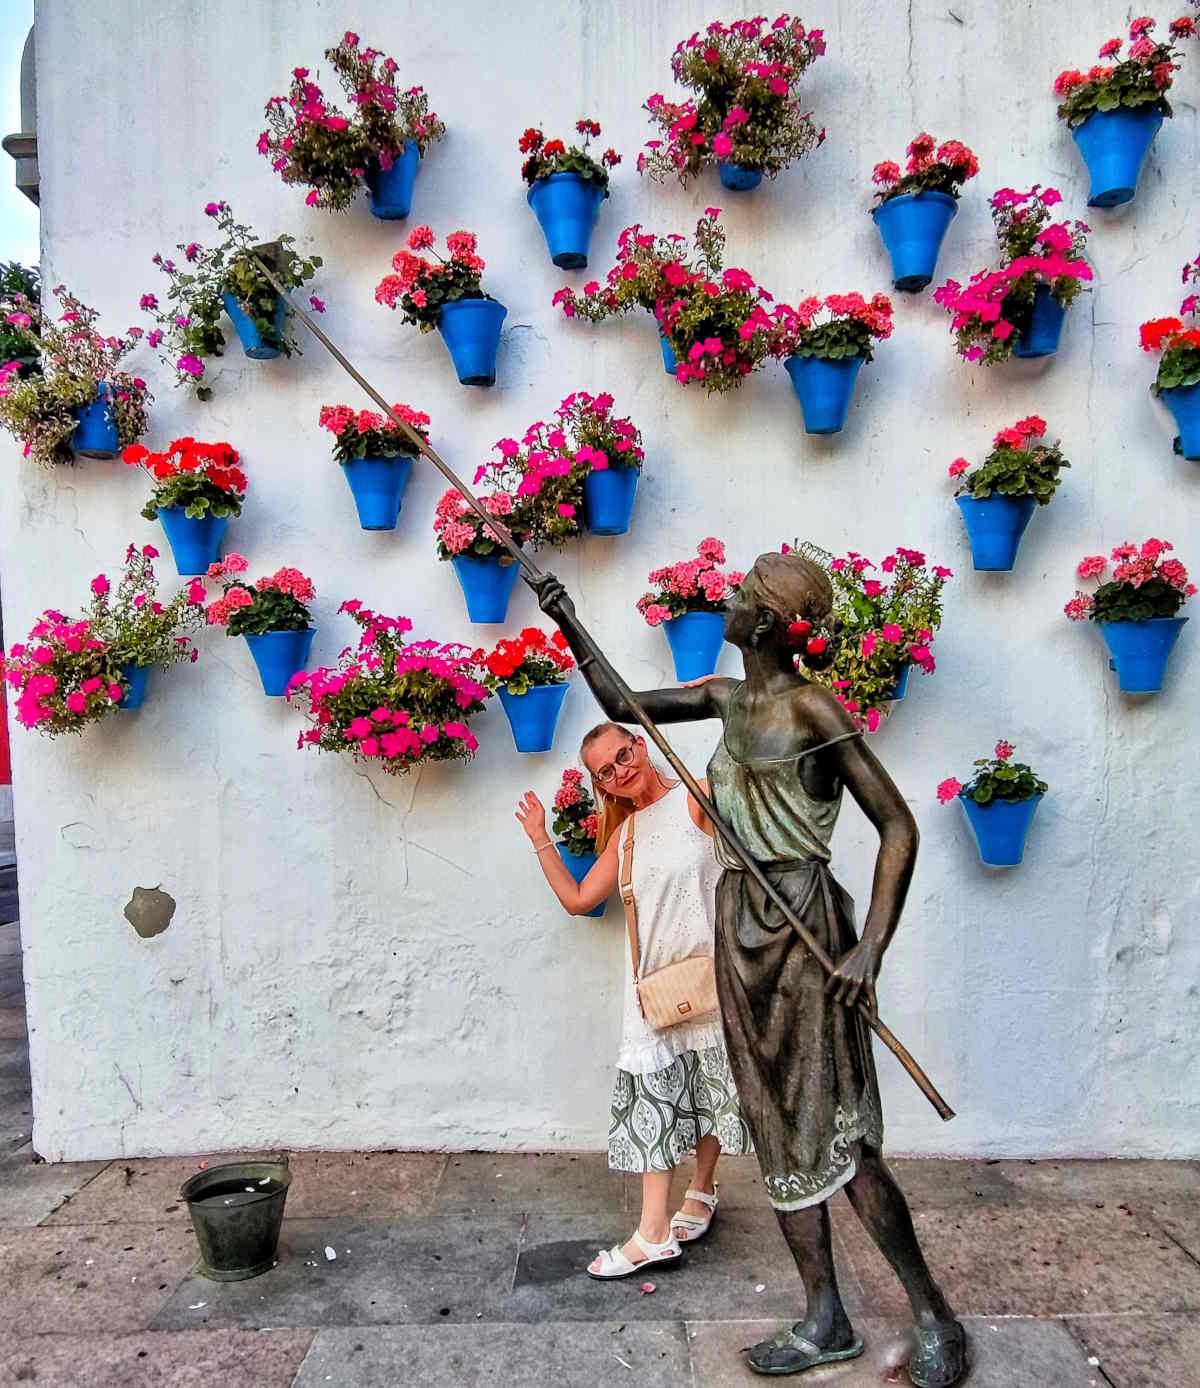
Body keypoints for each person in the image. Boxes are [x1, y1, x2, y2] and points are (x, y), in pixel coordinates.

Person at [533, 552, 965, 1387]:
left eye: (739, 595)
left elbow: (899, 828)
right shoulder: (725, 701)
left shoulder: (814, 709)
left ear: (765, 621)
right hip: (742, 930)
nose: (724, 600)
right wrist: (569, 623)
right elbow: (624, 705)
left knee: (845, 1137)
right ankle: (824, 1316)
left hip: (807, 932)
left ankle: (932, 1311)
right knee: (776, 1132)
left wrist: (869, 945)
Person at [515, 720, 754, 1280]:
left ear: (641, 746)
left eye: (624, 755)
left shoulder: (698, 796)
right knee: (656, 1098)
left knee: (711, 1089)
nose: (623, 770)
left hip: (713, 974)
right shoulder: (626, 834)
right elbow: (578, 899)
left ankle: (695, 1194)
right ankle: (653, 1230)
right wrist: (540, 838)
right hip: (653, 988)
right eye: (608, 771)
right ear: (602, 785)